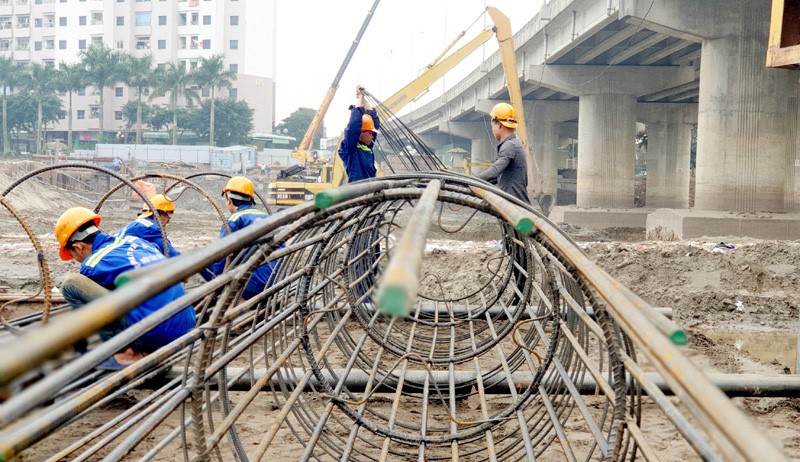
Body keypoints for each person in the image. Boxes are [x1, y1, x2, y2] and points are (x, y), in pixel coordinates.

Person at [55, 207, 196, 370]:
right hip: (185, 323)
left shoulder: (93, 263)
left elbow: (101, 307)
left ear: (78, 247)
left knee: (72, 283)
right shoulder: (135, 241)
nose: (76, 260)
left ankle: (125, 352)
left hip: (156, 334)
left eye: (72, 255)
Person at [200, 176, 280, 300]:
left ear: (229, 200)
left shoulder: (234, 220)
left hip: (252, 284)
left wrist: (216, 283)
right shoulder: (267, 217)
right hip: (275, 279)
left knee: (202, 264)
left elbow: (221, 256)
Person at [475, 102, 530, 204]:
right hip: (514, 206)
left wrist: (471, 179)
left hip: (515, 209)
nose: (492, 130)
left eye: (492, 126)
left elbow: (494, 171)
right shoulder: (513, 145)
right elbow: (497, 177)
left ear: (499, 124)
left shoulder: (509, 146)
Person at [338, 85, 380, 183]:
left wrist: (363, 97)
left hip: (371, 189)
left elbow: (374, 122)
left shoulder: (367, 148)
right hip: (357, 190)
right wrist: (359, 98)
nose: (371, 135)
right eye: (369, 132)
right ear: (360, 134)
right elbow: (354, 125)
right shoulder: (351, 149)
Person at [115, 194, 180, 257]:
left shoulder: (136, 225)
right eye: (169, 214)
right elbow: (171, 254)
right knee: (155, 248)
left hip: (111, 257)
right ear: (160, 214)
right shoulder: (152, 229)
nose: (169, 220)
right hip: (122, 261)